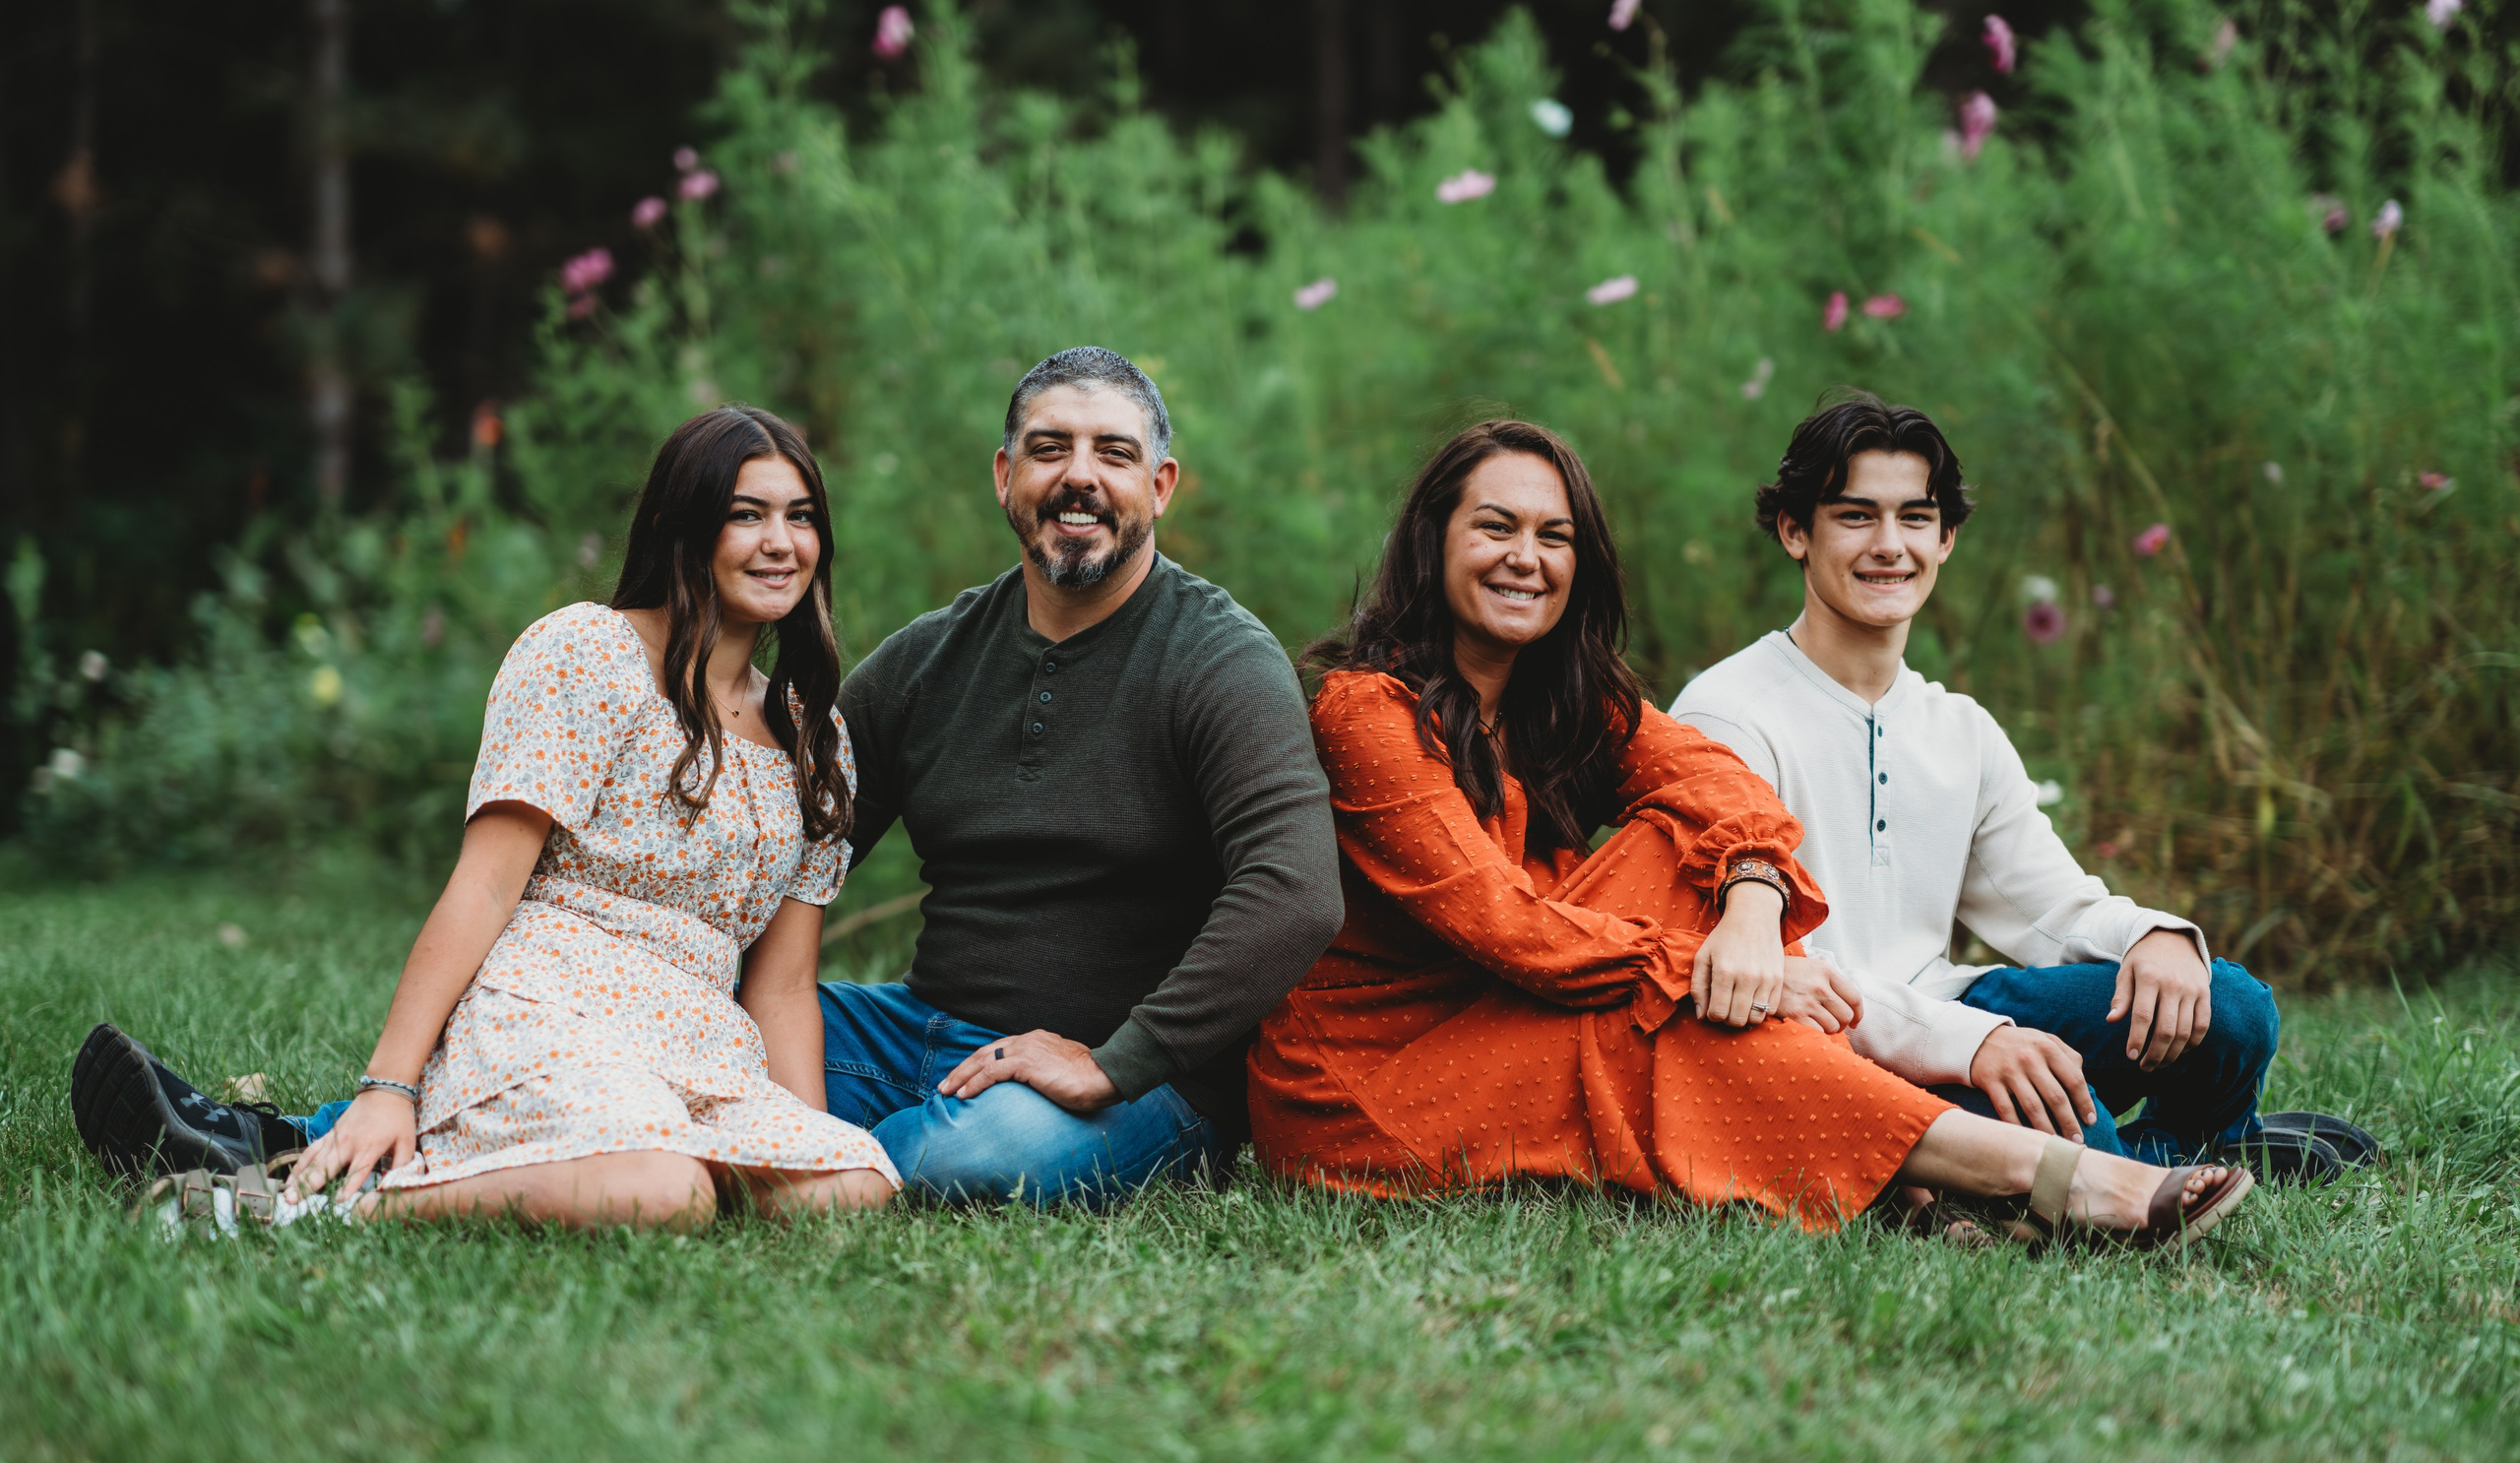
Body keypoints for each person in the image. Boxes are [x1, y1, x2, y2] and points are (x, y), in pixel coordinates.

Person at [1247, 417, 2253, 1244]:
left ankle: (1945, 1186)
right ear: (1433, 542)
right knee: (1694, 1007)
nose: (1526, 559)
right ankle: (2058, 1179)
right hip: (1382, 1074)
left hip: (1539, 1011)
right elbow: (1502, 926)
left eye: (1552, 536)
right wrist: (1710, 963)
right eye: (1494, 529)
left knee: (1683, 863)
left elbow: (1719, 792)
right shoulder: (1366, 714)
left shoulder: (1573, 699)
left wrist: (1752, 903)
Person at [71, 406, 898, 1228]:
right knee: (664, 1191)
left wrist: (807, 1140)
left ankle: (317, 1157)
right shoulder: (589, 653)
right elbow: (486, 886)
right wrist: (388, 1087)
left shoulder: (812, 732)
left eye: (801, 517)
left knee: (852, 1186)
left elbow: (784, 984)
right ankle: (314, 1211)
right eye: (745, 515)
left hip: (702, 1049)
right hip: (552, 1013)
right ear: (683, 528)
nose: (780, 543)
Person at [1670, 392, 2373, 1178]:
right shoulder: (1728, 714)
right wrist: (1974, 1045)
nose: (1889, 546)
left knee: (2232, 1006)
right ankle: (2153, 1161)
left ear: (1947, 540)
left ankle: (2179, 1149)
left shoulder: (1958, 728)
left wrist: (2152, 936)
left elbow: (2048, 907)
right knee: (2079, 1136)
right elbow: (1786, 970)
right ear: (1796, 531)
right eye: (1856, 516)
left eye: (1914, 518)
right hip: (1833, 1051)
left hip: (1949, 1007)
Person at [812, 347, 1347, 1203]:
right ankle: (824, 1145)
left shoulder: (1219, 658)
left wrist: (1115, 1064)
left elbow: (1297, 893)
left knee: (976, 1160)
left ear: (1162, 485)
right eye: (1050, 448)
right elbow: (787, 832)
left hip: (1131, 1088)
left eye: (1115, 453)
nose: (1079, 477)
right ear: (1005, 474)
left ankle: (800, 1155)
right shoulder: (929, 659)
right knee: (686, 1025)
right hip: (912, 1038)